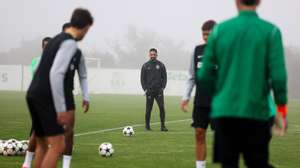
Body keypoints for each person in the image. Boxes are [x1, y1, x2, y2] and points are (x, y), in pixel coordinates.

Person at [197, 0, 288, 167]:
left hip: (225, 112)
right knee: (257, 163)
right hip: (256, 111)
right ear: (259, 2)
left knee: (229, 164)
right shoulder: (271, 31)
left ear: (236, 1)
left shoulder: (219, 31)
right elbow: (279, 78)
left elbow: (203, 74)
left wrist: (220, 93)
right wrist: (281, 109)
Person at [26, 8, 93, 168]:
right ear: (84, 27)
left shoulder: (55, 39)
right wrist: (62, 109)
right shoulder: (69, 43)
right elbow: (56, 74)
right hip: (45, 97)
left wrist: (85, 95)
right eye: (88, 30)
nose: (86, 34)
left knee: (42, 145)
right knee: (58, 146)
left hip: (33, 94)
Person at [180, 20, 216, 168]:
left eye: (209, 34)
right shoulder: (197, 51)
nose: (206, 37)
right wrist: (186, 97)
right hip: (201, 102)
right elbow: (192, 77)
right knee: (199, 133)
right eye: (204, 34)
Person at [22, 37, 52, 168]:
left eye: (49, 46)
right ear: (42, 47)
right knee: (36, 130)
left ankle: (47, 150)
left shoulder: (55, 61)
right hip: (39, 99)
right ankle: (27, 162)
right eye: (45, 46)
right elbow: (36, 74)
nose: (47, 48)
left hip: (52, 100)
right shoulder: (37, 61)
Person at [141, 48, 168, 131]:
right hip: (149, 91)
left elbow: (165, 77)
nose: (152, 56)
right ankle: (147, 126)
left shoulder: (161, 65)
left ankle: (163, 126)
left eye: (154, 54)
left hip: (159, 91)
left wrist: (162, 88)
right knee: (148, 109)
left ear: (156, 55)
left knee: (161, 107)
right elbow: (142, 79)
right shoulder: (145, 65)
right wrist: (145, 89)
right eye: (151, 54)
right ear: (149, 55)